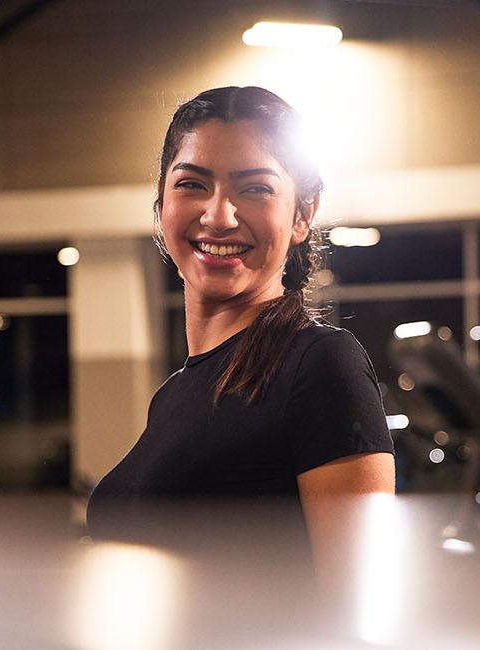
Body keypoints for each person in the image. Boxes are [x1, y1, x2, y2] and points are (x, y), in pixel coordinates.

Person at [85, 87, 395, 579]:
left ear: (302, 215)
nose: (219, 216)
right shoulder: (175, 395)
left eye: (254, 189)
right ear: (161, 204)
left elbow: (364, 603)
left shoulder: (319, 364)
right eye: (192, 184)